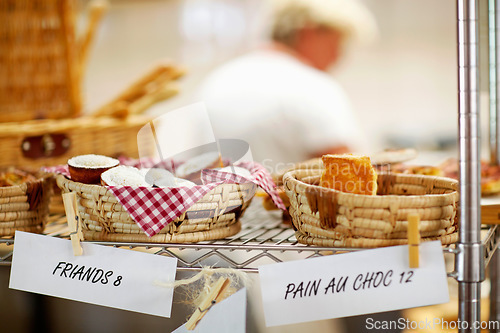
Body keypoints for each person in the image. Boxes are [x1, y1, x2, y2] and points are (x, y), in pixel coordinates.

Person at [197, 0, 378, 173]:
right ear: (310, 32)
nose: (337, 57)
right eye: (337, 44)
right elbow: (350, 174)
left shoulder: (217, 81)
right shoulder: (314, 87)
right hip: (283, 205)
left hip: (217, 202)